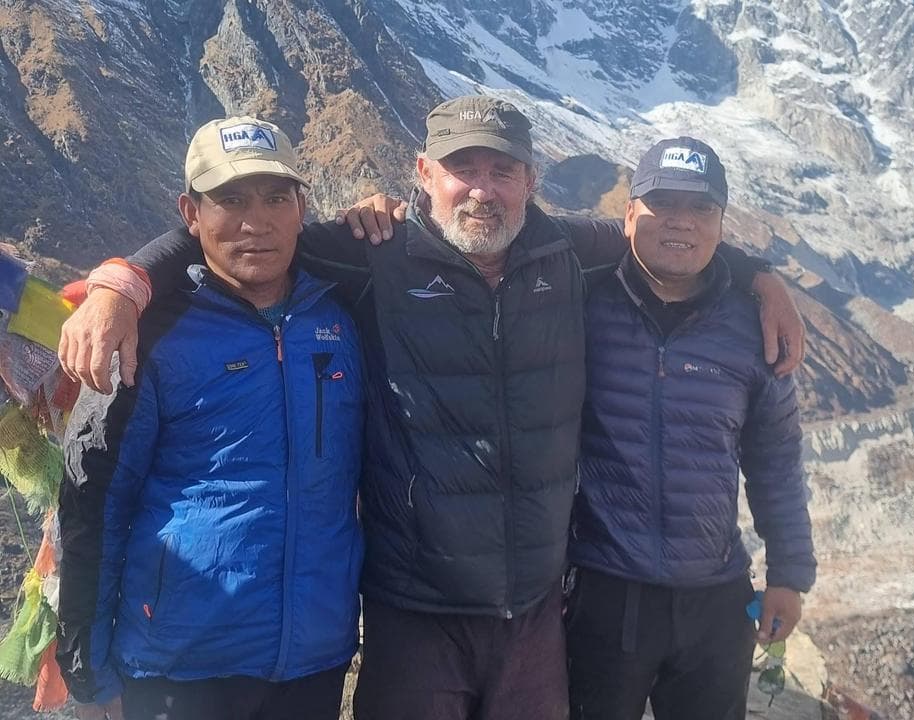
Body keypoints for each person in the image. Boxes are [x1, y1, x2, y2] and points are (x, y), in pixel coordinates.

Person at [57, 96, 805, 720]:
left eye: (502, 170)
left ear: (530, 181)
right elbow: (229, 242)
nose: (482, 188)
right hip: (412, 608)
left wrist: (762, 276)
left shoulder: (567, 253)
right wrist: (121, 283)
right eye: (461, 168)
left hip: (534, 611)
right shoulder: (368, 255)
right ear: (423, 175)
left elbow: (669, 240)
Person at [57, 116, 364, 720]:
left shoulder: (345, 312)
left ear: (303, 207)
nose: (257, 222)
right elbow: (93, 502)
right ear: (190, 213)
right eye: (229, 200)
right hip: (179, 667)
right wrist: (89, 676)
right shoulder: (146, 335)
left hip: (313, 661)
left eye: (277, 198)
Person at [564, 137, 817, 720]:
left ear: (722, 222)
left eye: (700, 208)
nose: (680, 221)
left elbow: (776, 460)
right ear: (628, 214)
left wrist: (788, 575)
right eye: (662, 204)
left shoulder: (753, 329)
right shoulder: (580, 302)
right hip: (605, 593)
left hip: (716, 600)